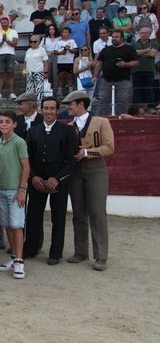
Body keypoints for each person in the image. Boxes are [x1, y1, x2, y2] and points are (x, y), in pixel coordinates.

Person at [63, 90, 114, 271]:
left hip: (96, 170)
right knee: (78, 213)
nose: (68, 107)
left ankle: (101, 256)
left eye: (70, 104)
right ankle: (81, 251)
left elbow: (109, 147)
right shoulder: (69, 126)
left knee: (97, 213)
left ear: (80, 104)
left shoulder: (101, 122)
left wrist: (86, 153)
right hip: (76, 171)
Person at [23, 97, 78, 262]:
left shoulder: (67, 131)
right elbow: (27, 158)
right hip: (37, 179)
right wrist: (33, 177)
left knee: (58, 217)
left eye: (52, 108)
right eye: (46, 108)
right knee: (33, 216)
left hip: (58, 180)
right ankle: (31, 248)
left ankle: (55, 253)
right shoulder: (33, 131)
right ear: (41, 110)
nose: (48, 111)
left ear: (57, 110)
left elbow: (72, 159)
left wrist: (58, 178)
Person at [0, 111, 30, 279]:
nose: (3, 124)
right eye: (1, 121)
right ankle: (14, 257)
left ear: (14, 124)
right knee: (7, 224)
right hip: (0, 188)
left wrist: (22, 189)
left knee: (16, 225)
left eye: (7, 121)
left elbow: (26, 167)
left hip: (15, 190)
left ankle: (20, 260)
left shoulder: (19, 142)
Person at [94, 29, 138, 116]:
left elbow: (136, 62)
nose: (114, 39)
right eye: (113, 37)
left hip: (123, 80)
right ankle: (102, 120)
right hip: (106, 80)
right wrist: (95, 75)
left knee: (123, 102)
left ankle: (122, 120)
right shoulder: (106, 50)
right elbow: (99, 63)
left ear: (122, 38)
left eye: (116, 37)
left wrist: (125, 64)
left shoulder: (129, 49)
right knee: (102, 101)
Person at [0, 16, 18, 99]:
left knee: (11, 73)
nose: (3, 24)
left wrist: (6, 40)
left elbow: (15, 43)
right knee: (0, 73)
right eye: (2, 22)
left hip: (10, 54)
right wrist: (2, 42)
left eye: (5, 22)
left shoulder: (13, 32)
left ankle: (12, 92)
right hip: (0, 54)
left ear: (8, 23)